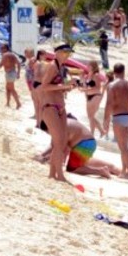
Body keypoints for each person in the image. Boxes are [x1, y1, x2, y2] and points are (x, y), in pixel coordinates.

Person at [37, 116, 128, 179]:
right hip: (88, 143)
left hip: (84, 144)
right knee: (89, 163)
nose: (49, 134)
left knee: (72, 169)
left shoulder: (61, 128)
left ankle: (101, 171)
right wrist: (43, 155)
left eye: (48, 132)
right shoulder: (61, 123)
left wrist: (46, 158)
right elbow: (54, 145)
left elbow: (60, 148)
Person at [35, 43, 76, 181]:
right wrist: (64, 85)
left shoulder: (61, 67)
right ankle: (60, 174)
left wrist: (68, 87)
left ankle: (53, 173)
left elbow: (56, 87)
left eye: (69, 53)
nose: (67, 55)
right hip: (50, 107)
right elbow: (44, 86)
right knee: (59, 142)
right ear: (57, 52)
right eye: (65, 52)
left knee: (61, 142)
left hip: (60, 107)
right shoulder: (53, 66)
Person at [79, 60, 106, 138]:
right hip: (88, 96)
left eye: (89, 65)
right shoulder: (87, 76)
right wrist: (82, 79)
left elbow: (98, 87)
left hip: (96, 95)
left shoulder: (96, 75)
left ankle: (92, 134)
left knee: (91, 116)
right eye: (87, 65)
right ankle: (101, 131)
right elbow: (85, 86)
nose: (87, 66)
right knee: (90, 116)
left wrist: (85, 90)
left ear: (94, 67)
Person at [0, 44, 22, 109]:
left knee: (11, 89)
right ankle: (8, 103)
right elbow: (19, 64)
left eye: (2, 48)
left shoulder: (5, 55)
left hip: (9, 73)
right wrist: (18, 73)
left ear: (6, 49)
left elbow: (1, 64)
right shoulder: (12, 55)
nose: (1, 50)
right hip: (13, 72)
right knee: (8, 88)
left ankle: (18, 103)